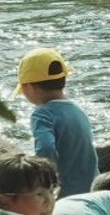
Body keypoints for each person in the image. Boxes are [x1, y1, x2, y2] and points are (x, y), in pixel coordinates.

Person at [16, 47, 98, 201]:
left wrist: (46, 182)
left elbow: (45, 148)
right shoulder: (77, 109)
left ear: (31, 87)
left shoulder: (42, 114)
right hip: (92, 189)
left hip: (65, 196)